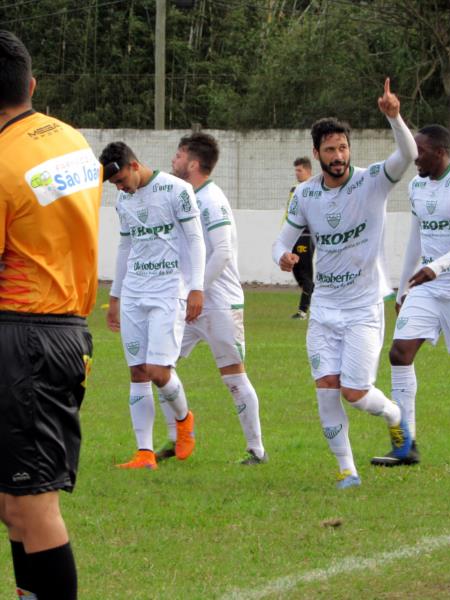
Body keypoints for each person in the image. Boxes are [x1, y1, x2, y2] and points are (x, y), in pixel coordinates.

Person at [272, 78, 416, 489]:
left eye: (344, 148)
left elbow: (409, 153)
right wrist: (281, 256)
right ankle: (347, 470)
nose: (339, 156)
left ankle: (393, 416)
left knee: (354, 392)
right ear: (317, 153)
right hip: (324, 310)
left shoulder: (372, 181)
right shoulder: (304, 195)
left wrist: (394, 117)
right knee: (326, 388)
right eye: (330, 149)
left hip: (363, 307)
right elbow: (281, 241)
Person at [0, 30, 101, 600]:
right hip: (61, 328)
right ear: (31, 85)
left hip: (24, 336)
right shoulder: (71, 141)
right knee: (12, 500)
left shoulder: (2, 160)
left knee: (32, 504)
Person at [371, 124, 450, 468]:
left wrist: (438, 267)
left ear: (440, 152)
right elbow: (417, 236)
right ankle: (406, 444)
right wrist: (403, 285)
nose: (414, 160)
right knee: (399, 353)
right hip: (426, 286)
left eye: (420, 153)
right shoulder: (417, 186)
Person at [155, 132, 267, 465]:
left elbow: (222, 252)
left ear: (192, 162)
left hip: (218, 303)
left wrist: (197, 289)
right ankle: (178, 438)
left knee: (233, 376)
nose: (173, 161)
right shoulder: (186, 196)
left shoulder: (211, 199)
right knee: (159, 366)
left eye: (178, 155)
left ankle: (256, 450)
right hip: (190, 301)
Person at [100, 141, 205, 471]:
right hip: (134, 293)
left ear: (134, 165)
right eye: (114, 185)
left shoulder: (176, 190)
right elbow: (125, 246)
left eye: (120, 181)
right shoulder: (123, 199)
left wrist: (196, 288)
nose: (120, 188)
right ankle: (144, 453)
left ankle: (184, 420)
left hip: (167, 291)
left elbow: (195, 239)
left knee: (159, 371)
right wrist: (115, 297)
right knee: (137, 372)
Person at [288, 157, 314, 320]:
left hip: (306, 236)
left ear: (308, 171)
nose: (297, 173)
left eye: (300, 170)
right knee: (296, 270)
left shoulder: (313, 189)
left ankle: (303, 310)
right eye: (296, 170)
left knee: (305, 273)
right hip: (294, 236)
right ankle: (318, 298)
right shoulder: (295, 189)